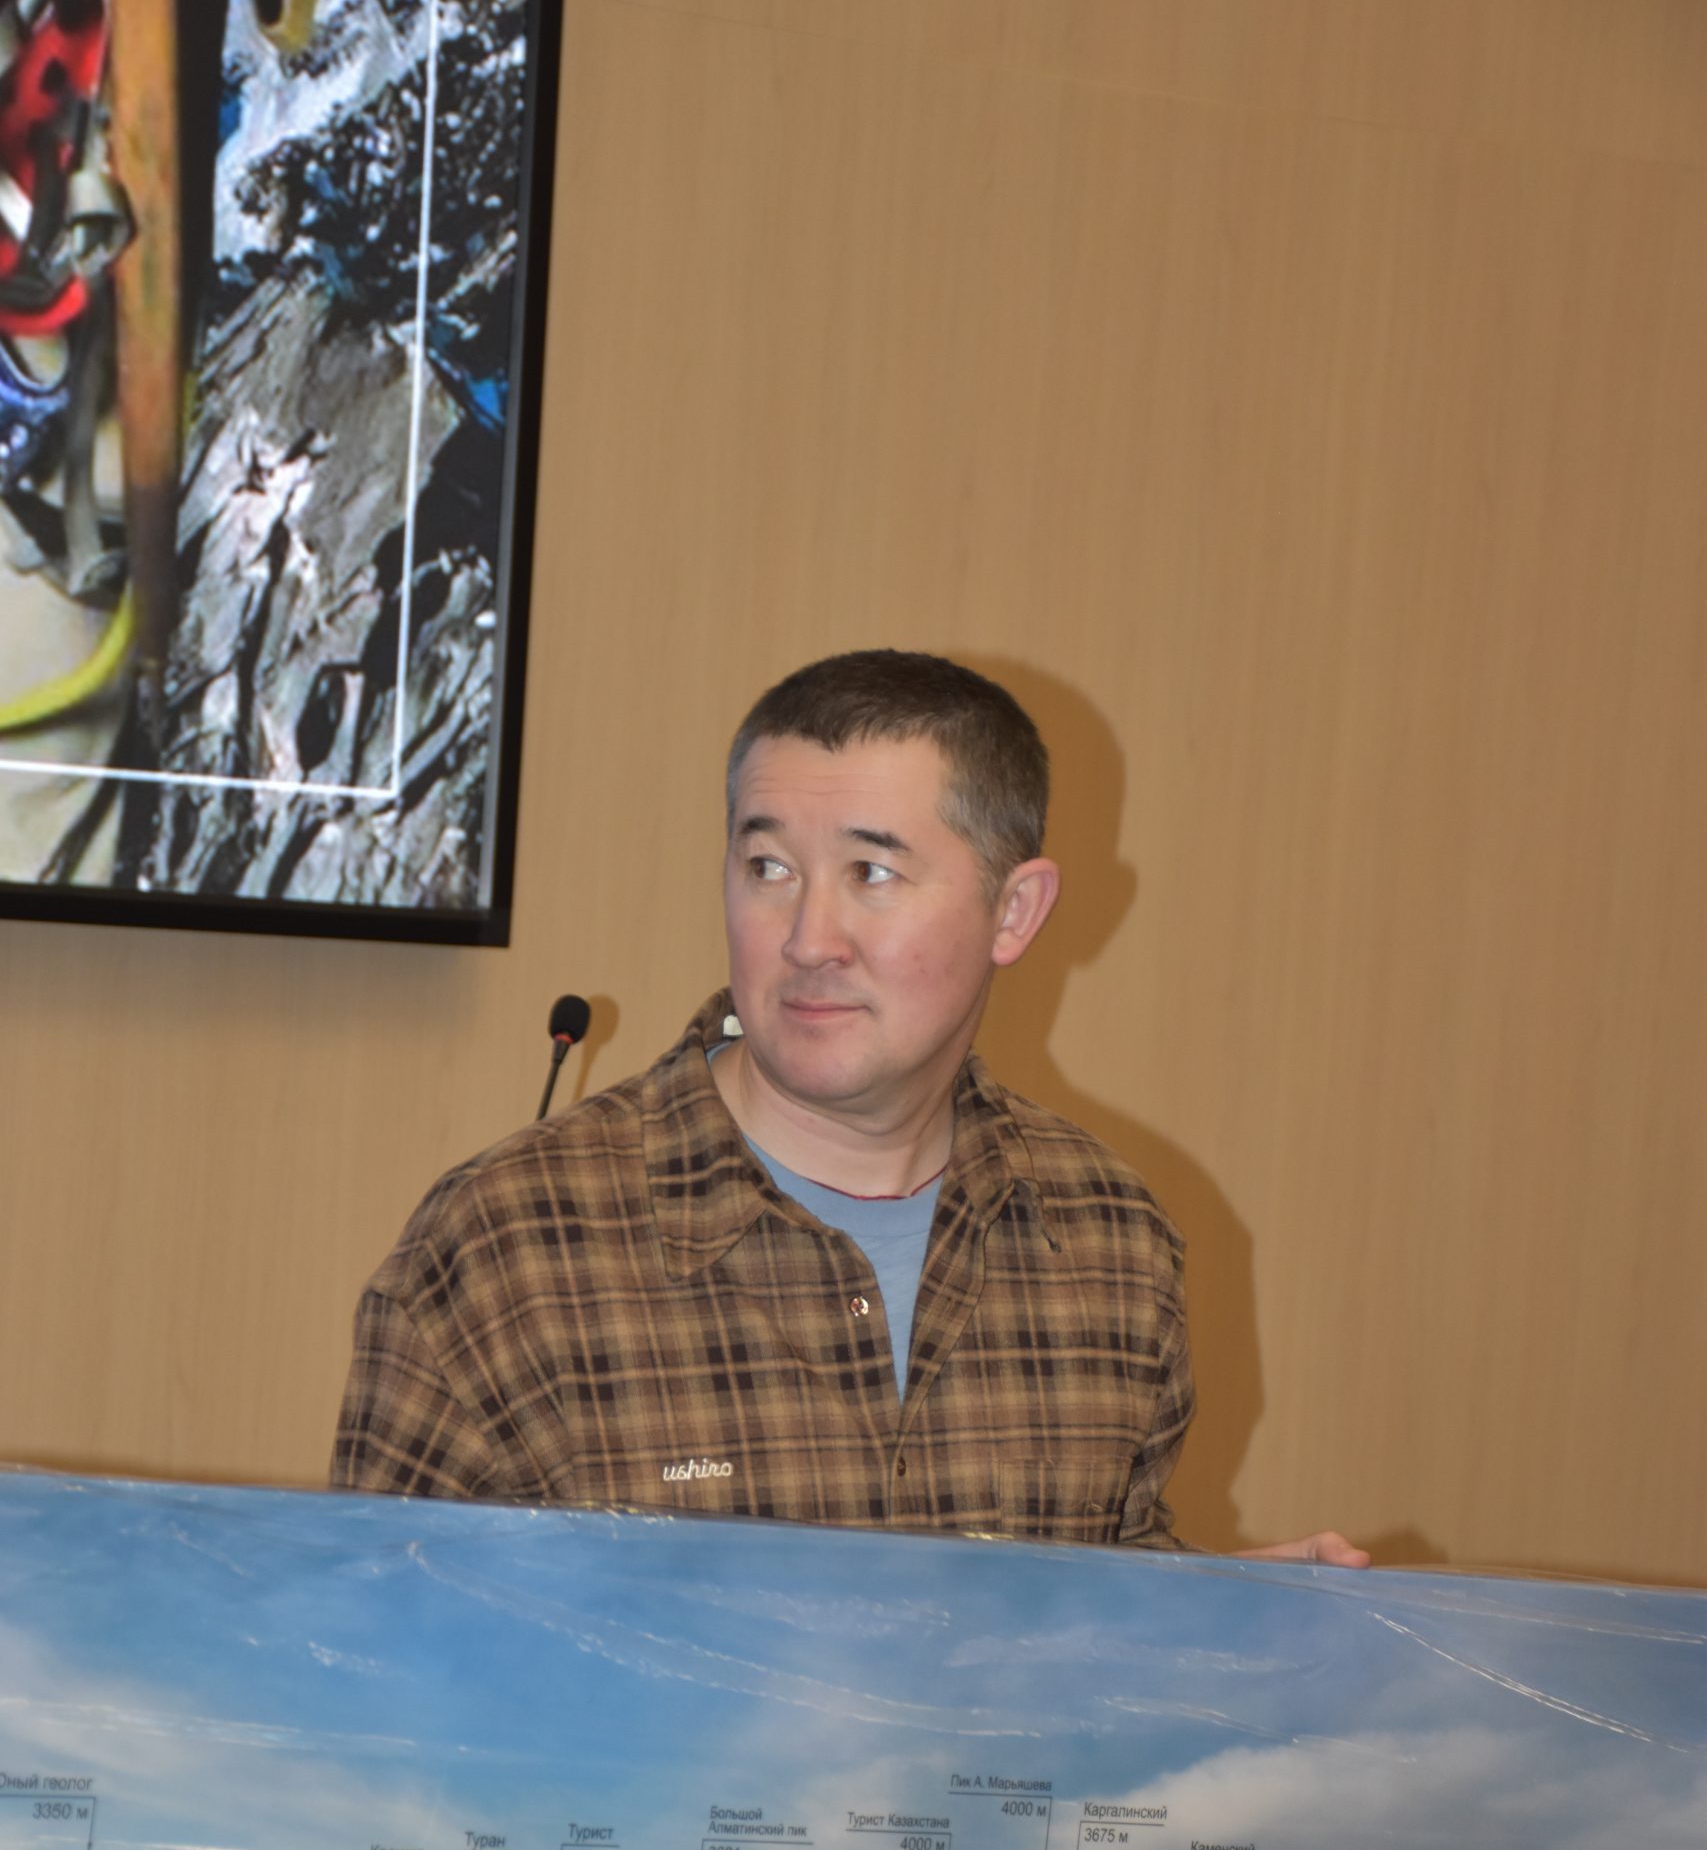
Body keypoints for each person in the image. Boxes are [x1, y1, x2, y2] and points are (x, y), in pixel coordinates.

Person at [332, 649, 1366, 1566]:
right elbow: (373, 1660)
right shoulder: (507, 1248)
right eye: (768, 868)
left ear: (1014, 911)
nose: (807, 938)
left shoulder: (1110, 1243)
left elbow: (1094, 1630)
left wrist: (1230, 1633)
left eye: (871, 872)